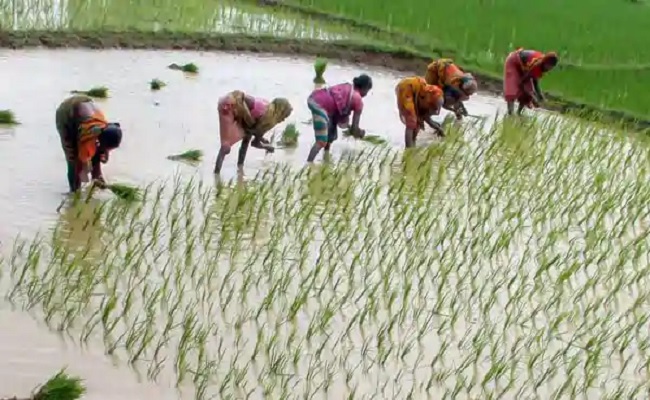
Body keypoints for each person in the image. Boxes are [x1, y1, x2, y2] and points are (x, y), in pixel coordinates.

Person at [55, 95, 123, 193]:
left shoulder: (106, 129)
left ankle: (96, 179)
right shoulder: (87, 135)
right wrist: (80, 182)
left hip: (84, 104)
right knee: (73, 159)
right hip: (66, 114)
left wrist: (98, 176)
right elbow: (81, 165)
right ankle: (73, 191)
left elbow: (101, 150)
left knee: (96, 151)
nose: (107, 151)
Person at [214, 91, 292, 174]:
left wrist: (262, 139)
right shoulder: (269, 118)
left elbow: (253, 130)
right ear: (280, 111)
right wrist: (267, 147)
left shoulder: (266, 106)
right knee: (225, 147)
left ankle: (240, 169)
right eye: (284, 116)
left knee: (246, 137)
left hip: (230, 101)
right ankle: (216, 175)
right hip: (231, 105)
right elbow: (255, 143)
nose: (283, 119)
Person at [306, 74, 373, 163]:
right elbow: (354, 129)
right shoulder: (358, 101)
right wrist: (360, 133)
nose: (366, 94)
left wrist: (350, 127)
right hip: (320, 106)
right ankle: (309, 165)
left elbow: (337, 109)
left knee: (330, 136)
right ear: (365, 88)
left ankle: (326, 159)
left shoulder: (347, 88)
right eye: (368, 90)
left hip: (315, 98)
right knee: (321, 141)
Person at [503, 48, 559, 115]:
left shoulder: (541, 66)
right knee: (512, 89)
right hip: (514, 62)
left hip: (524, 67)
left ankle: (518, 113)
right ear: (545, 63)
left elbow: (535, 82)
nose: (550, 69)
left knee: (528, 93)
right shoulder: (536, 64)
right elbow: (522, 82)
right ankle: (511, 113)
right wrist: (533, 98)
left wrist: (541, 97)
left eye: (552, 67)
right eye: (549, 66)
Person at [395, 76, 445, 148]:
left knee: (417, 122)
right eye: (435, 109)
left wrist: (438, 129)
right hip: (406, 88)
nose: (436, 112)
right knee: (411, 120)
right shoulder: (429, 98)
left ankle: (413, 143)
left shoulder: (434, 98)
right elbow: (427, 118)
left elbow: (426, 118)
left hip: (415, 91)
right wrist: (439, 129)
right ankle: (409, 148)